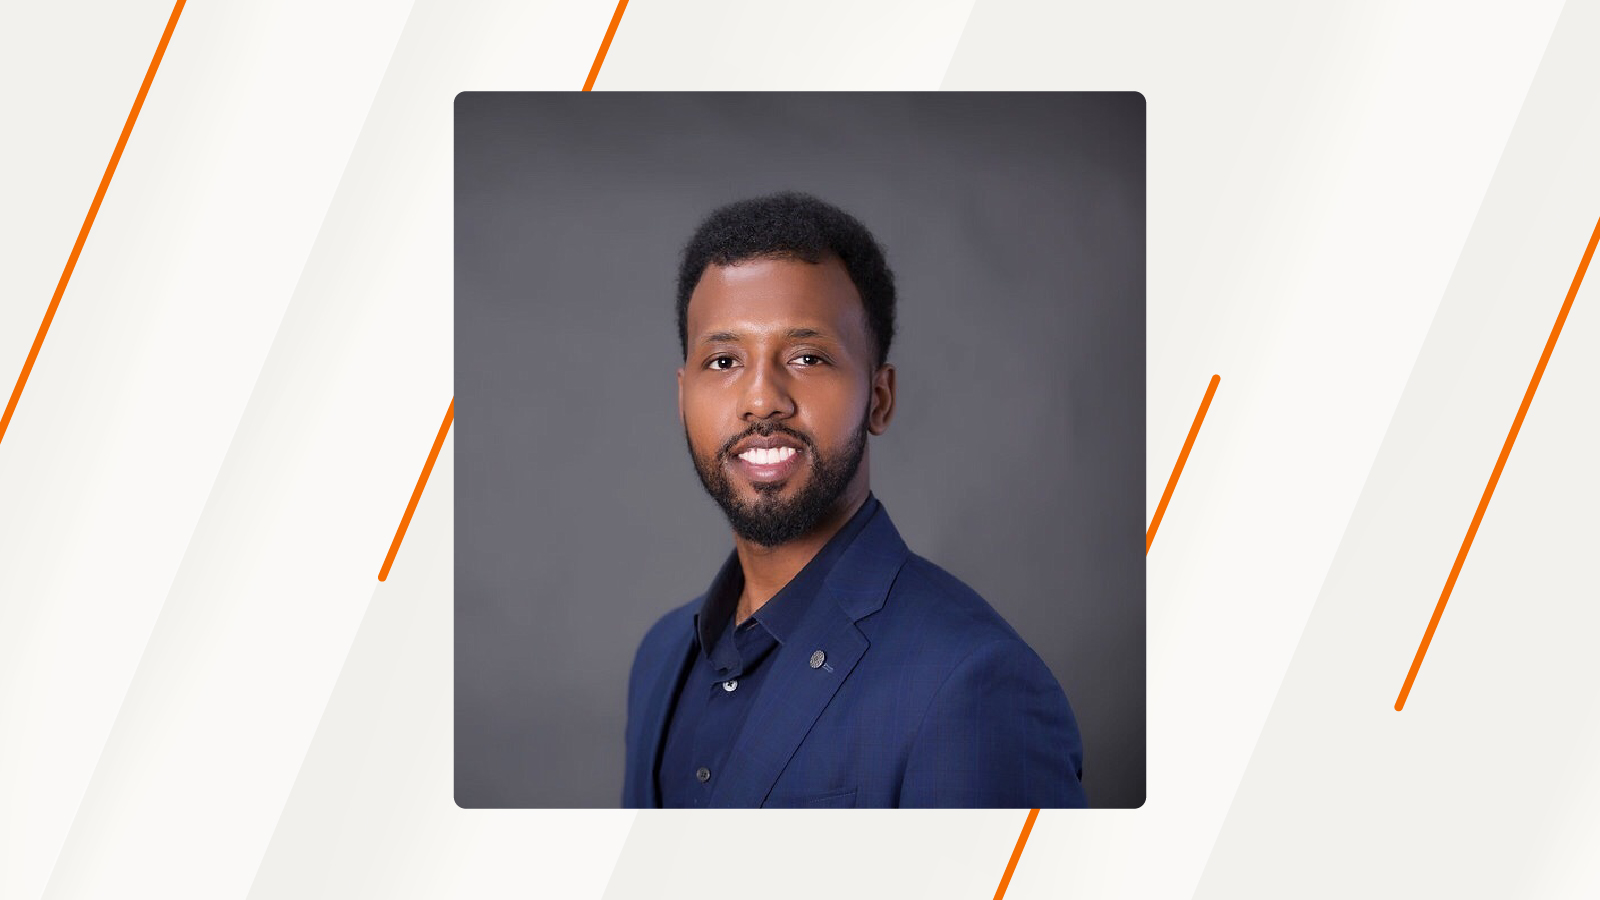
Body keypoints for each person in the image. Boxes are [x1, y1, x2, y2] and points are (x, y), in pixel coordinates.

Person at [622, 192, 1087, 808]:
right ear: (683, 396)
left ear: (880, 397)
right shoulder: (660, 657)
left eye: (808, 356)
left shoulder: (974, 686)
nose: (761, 399)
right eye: (724, 359)